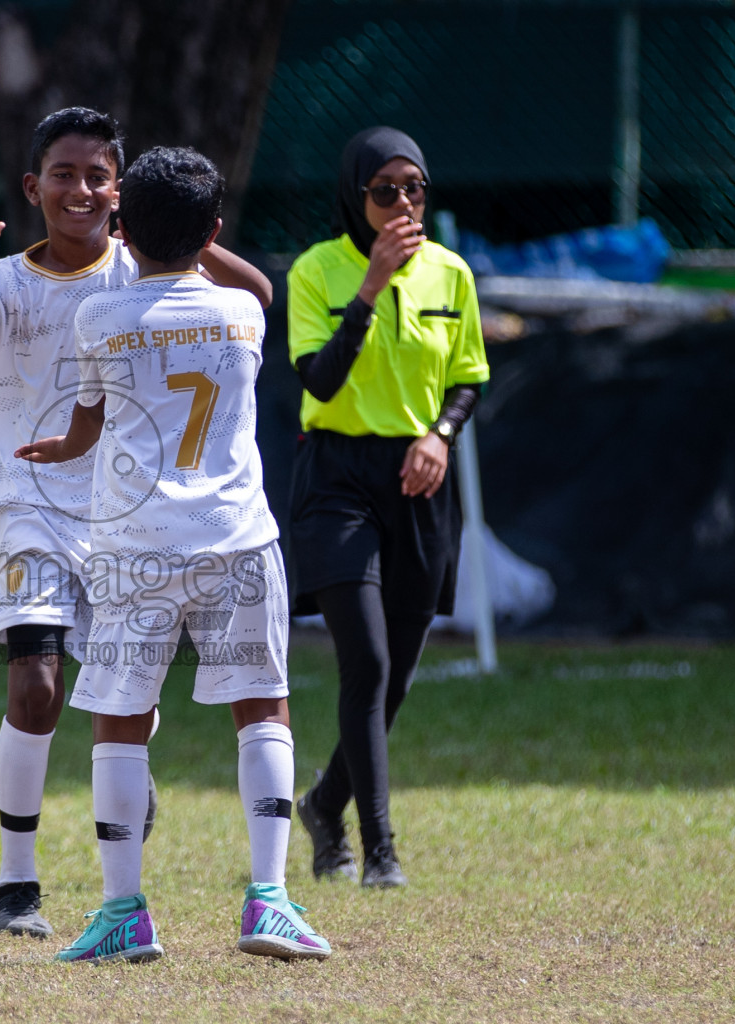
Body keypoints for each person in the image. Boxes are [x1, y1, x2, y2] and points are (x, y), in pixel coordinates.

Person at [0, 108, 273, 938]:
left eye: (100, 177)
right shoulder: (0, 284)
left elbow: (254, 298)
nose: (82, 190)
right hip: (23, 506)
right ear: (33, 187)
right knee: (35, 686)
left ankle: (127, 776)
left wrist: (182, 231)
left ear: (122, 194)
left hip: (124, 523)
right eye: (64, 175)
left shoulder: (142, 274)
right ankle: (16, 884)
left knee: (124, 708)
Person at [15, 146, 330, 964]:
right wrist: (199, 238)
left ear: (123, 224)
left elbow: (87, 423)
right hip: (236, 537)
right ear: (215, 231)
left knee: (119, 721)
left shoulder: (101, 318)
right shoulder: (245, 316)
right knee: (261, 708)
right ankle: (269, 902)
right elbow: (258, 286)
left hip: (133, 545)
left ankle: (125, 912)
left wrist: (66, 445)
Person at [287, 127, 488, 888]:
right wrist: (369, 288)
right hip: (337, 475)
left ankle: (324, 802)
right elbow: (322, 383)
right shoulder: (317, 271)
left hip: (419, 477)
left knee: (396, 673)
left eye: (415, 189)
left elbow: (468, 376)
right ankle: (378, 850)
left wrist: (440, 434)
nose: (404, 203)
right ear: (355, 196)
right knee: (364, 661)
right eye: (385, 191)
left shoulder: (452, 273)